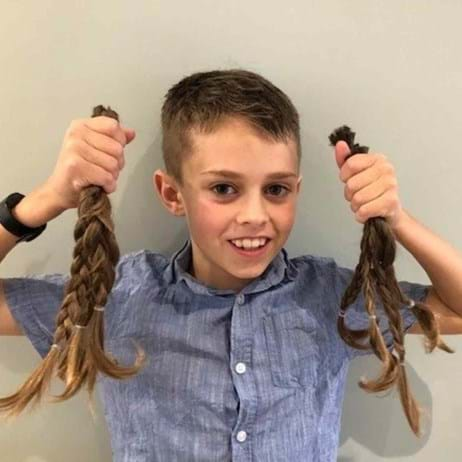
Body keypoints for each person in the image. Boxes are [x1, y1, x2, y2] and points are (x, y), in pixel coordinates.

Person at [0, 68, 461, 461]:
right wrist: (41, 203)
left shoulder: (329, 297)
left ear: (295, 191)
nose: (255, 216)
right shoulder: (122, 295)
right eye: (224, 189)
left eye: (276, 189)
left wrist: (398, 219)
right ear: (172, 194)